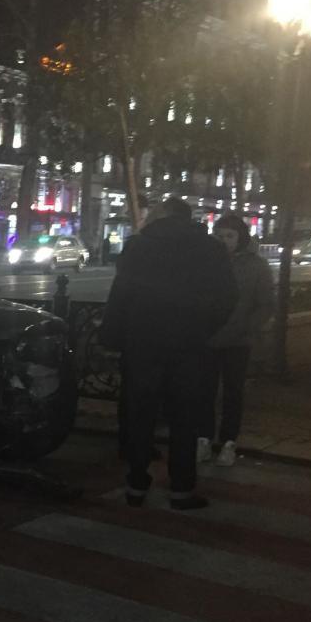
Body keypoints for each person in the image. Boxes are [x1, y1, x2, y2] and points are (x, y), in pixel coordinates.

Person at [100, 199, 236, 510]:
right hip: (189, 345)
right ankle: (181, 488)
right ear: (189, 218)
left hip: (143, 343)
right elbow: (228, 297)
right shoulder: (210, 249)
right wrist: (203, 329)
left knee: (140, 416)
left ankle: (136, 483)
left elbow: (120, 295)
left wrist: (114, 336)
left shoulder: (139, 246)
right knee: (185, 418)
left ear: (162, 216)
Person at [197, 215, 274, 467]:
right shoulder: (206, 262)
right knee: (205, 391)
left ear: (241, 237)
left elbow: (265, 304)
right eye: (220, 235)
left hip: (238, 340)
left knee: (233, 392)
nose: (224, 241)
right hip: (208, 337)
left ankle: (229, 441)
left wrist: (248, 328)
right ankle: (203, 438)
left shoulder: (256, 266)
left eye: (230, 236)